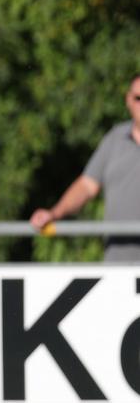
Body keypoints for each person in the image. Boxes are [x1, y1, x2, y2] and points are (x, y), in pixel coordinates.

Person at [30, 74, 140, 262]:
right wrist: (54, 213)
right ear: (128, 99)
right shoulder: (114, 139)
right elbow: (87, 186)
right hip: (120, 266)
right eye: (138, 98)